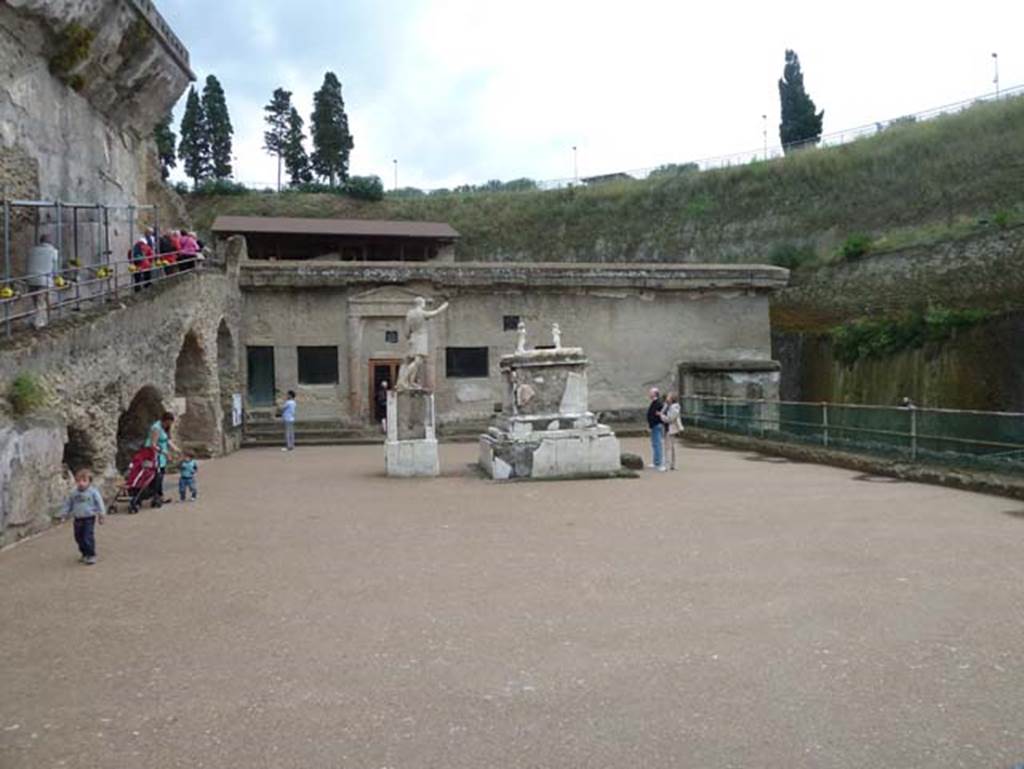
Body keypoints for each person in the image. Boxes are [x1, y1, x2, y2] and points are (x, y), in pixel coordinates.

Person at [59, 468, 105, 565]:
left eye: (84, 481)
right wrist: (63, 514)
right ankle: (84, 553)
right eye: (78, 481)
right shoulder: (74, 493)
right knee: (78, 537)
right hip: (78, 518)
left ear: (89, 482)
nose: (81, 483)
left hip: (89, 517)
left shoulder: (93, 492)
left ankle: (91, 554)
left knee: (87, 536)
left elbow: (99, 503)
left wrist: (101, 515)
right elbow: (68, 504)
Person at [144, 411, 180, 507]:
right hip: (154, 455)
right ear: (166, 420)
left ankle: (159, 496)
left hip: (161, 456)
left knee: (161, 475)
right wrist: (165, 453)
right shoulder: (156, 428)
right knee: (157, 477)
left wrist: (175, 448)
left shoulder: (164, 428)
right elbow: (153, 444)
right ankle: (156, 496)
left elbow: (167, 440)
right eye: (169, 422)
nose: (170, 425)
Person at [26, 234, 59, 328]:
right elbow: (55, 270)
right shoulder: (53, 251)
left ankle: (35, 319)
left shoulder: (32, 250)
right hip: (44, 280)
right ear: (51, 242)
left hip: (31, 279)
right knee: (41, 302)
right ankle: (39, 323)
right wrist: (56, 278)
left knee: (35, 301)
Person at [660, 393, 683, 471]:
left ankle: (668, 465)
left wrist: (662, 416)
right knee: (669, 447)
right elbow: (662, 411)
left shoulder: (675, 407)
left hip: (671, 429)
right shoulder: (667, 406)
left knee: (669, 448)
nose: (667, 398)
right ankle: (671, 465)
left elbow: (670, 419)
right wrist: (664, 408)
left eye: (669, 397)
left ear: (672, 399)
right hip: (667, 428)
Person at [646, 387, 666, 471]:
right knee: (655, 444)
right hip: (654, 425)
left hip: (656, 425)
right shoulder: (655, 402)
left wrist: (652, 424)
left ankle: (659, 463)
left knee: (658, 444)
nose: (649, 394)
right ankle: (656, 462)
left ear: (655, 394)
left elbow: (658, 414)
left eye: (651, 392)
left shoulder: (658, 403)